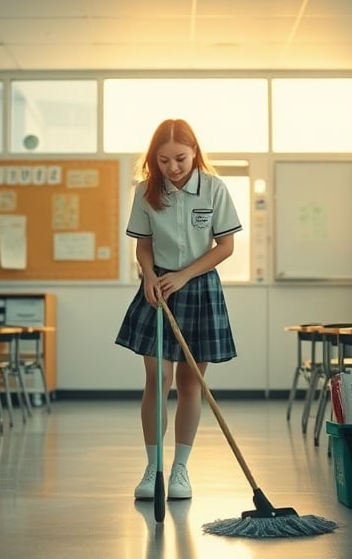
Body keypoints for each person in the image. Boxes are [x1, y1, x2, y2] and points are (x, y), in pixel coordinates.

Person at [115, 118, 241, 500]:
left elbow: (225, 247)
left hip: (198, 288)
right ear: (154, 159)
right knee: (157, 381)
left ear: (195, 153)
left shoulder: (215, 189)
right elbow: (143, 244)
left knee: (190, 384)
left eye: (181, 160)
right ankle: (153, 469)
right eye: (164, 160)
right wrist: (149, 275)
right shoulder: (145, 191)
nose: (172, 168)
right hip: (157, 290)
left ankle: (180, 471)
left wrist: (184, 276)